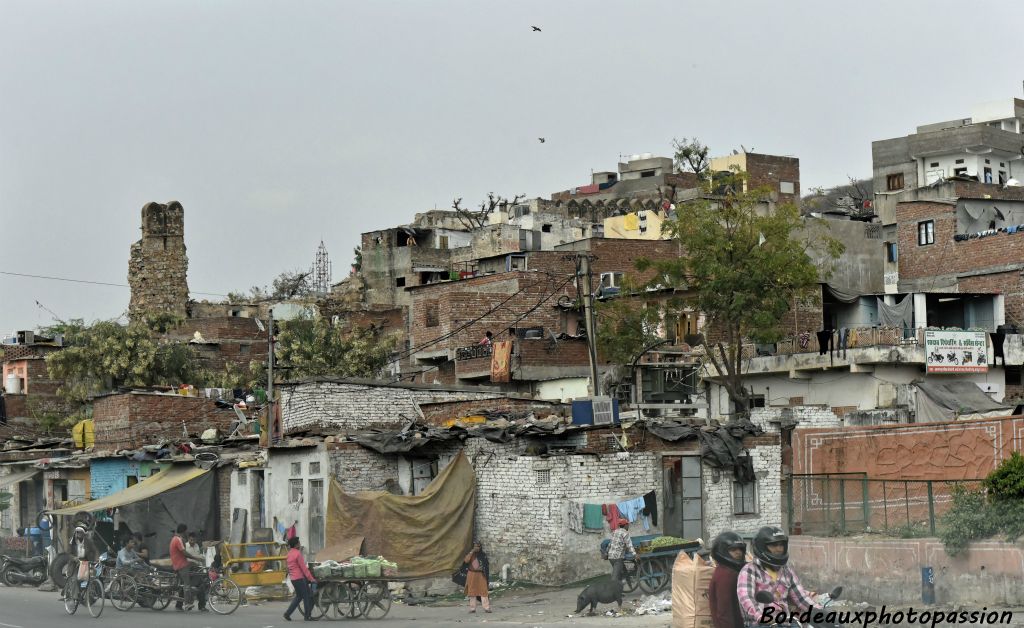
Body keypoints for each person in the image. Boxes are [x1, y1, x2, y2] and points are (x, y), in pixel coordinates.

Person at [737, 527, 814, 626]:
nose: (779, 549)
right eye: (773, 545)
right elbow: (746, 598)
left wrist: (820, 611)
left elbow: (801, 598)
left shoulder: (786, 571)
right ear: (762, 547)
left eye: (781, 545)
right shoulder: (749, 570)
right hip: (760, 624)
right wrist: (760, 616)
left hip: (785, 622)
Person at [709, 531, 747, 628]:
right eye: (733, 549)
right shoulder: (726, 575)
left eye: (740, 549)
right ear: (722, 551)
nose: (739, 552)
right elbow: (724, 612)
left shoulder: (727, 570)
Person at [170, 524, 207, 612]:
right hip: (181, 565)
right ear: (183, 531)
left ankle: (196, 602)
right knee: (187, 584)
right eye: (186, 531)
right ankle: (187, 603)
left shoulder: (176, 539)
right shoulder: (178, 540)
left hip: (184, 563)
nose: (187, 533)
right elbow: (184, 553)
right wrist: (196, 558)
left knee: (197, 579)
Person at [283, 536, 318, 621]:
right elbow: (303, 568)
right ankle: (307, 616)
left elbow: (289, 567)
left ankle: (287, 614)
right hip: (299, 578)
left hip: (293, 579)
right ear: (296, 545)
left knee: (299, 597)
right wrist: (311, 579)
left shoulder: (289, 553)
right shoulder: (297, 554)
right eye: (299, 542)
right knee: (307, 596)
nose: (300, 543)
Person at [67, 525, 98, 593]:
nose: (78, 534)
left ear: (83, 533)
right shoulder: (72, 541)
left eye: (80, 532)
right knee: (75, 579)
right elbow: (68, 554)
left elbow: (94, 550)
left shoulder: (88, 541)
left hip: (86, 562)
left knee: (92, 577)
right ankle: (75, 596)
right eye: (77, 532)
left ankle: (90, 594)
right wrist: (74, 558)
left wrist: (96, 559)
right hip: (75, 563)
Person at [463, 541, 491, 613]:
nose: (476, 548)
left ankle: (486, 608)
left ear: (480, 547)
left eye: (478, 546)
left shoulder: (483, 555)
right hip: (472, 574)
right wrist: (471, 552)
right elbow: (466, 561)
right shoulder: (471, 554)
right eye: (475, 546)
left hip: (481, 575)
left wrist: (482, 569)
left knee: (483, 591)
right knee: (472, 591)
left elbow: (486, 565)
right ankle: (472, 608)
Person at [606, 519, 635, 583]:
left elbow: (610, 543)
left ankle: (625, 581)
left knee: (621, 571)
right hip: (617, 557)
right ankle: (611, 590)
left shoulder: (615, 531)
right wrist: (635, 554)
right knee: (615, 577)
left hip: (611, 556)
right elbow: (629, 545)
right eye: (628, 525)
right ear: (625, 525)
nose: (628, 526)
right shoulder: (625, 533)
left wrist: (606, 552)